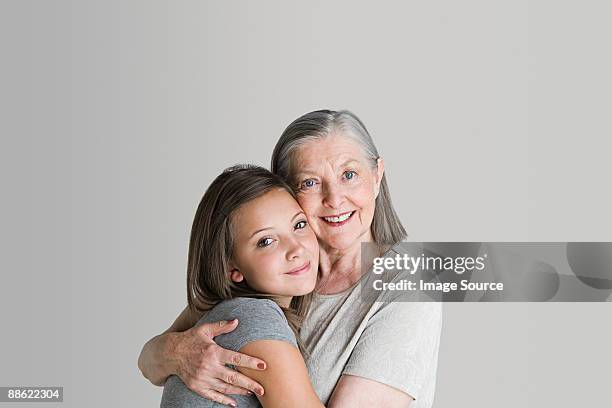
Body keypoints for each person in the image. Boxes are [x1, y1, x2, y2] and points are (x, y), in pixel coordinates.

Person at [139, 110, 442, 407]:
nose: (334, 199)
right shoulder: (275, 280)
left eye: (349, 175)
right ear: (285, 193)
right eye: (309, 182)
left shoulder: (415, 278)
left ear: (377, 177)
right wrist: (177, 353)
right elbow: (148, 362)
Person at [161, 164, 324, 407]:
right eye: (266, 241)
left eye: (299, 225)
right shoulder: (253, 318)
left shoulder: (227, 309)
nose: (297, 249)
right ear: (231, 268)